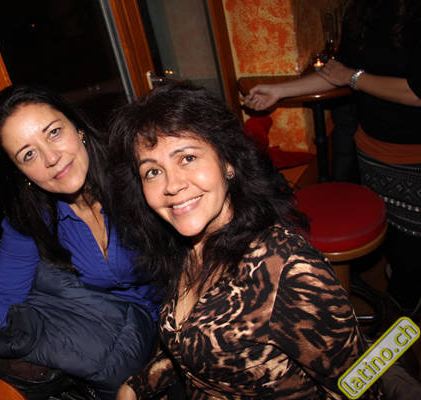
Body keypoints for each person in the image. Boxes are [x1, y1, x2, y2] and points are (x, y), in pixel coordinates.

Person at [108, 81, 379, 399]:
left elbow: (360, 388)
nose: (172, 185)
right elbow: (191, 344)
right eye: (153, 171)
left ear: (227, 163)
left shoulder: (287, 270)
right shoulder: (185, 246)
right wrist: (136, 386)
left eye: (188, 158)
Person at [0, 85, 160, 400]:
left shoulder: (137, 171)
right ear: (21, 172)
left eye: (54, 133)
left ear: (77, 127)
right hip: (116, 322)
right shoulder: (33, 216)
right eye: (28, 154)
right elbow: (1, 297)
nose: (51, 158)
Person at [243, 0, 421, 316]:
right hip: (372, 150)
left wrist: (354, 77)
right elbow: (337, 73)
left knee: (411, 252)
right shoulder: (363, 10)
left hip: (414, 156)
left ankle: (404, 309)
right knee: (394, 240)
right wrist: (279, 91)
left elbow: (415, 92)